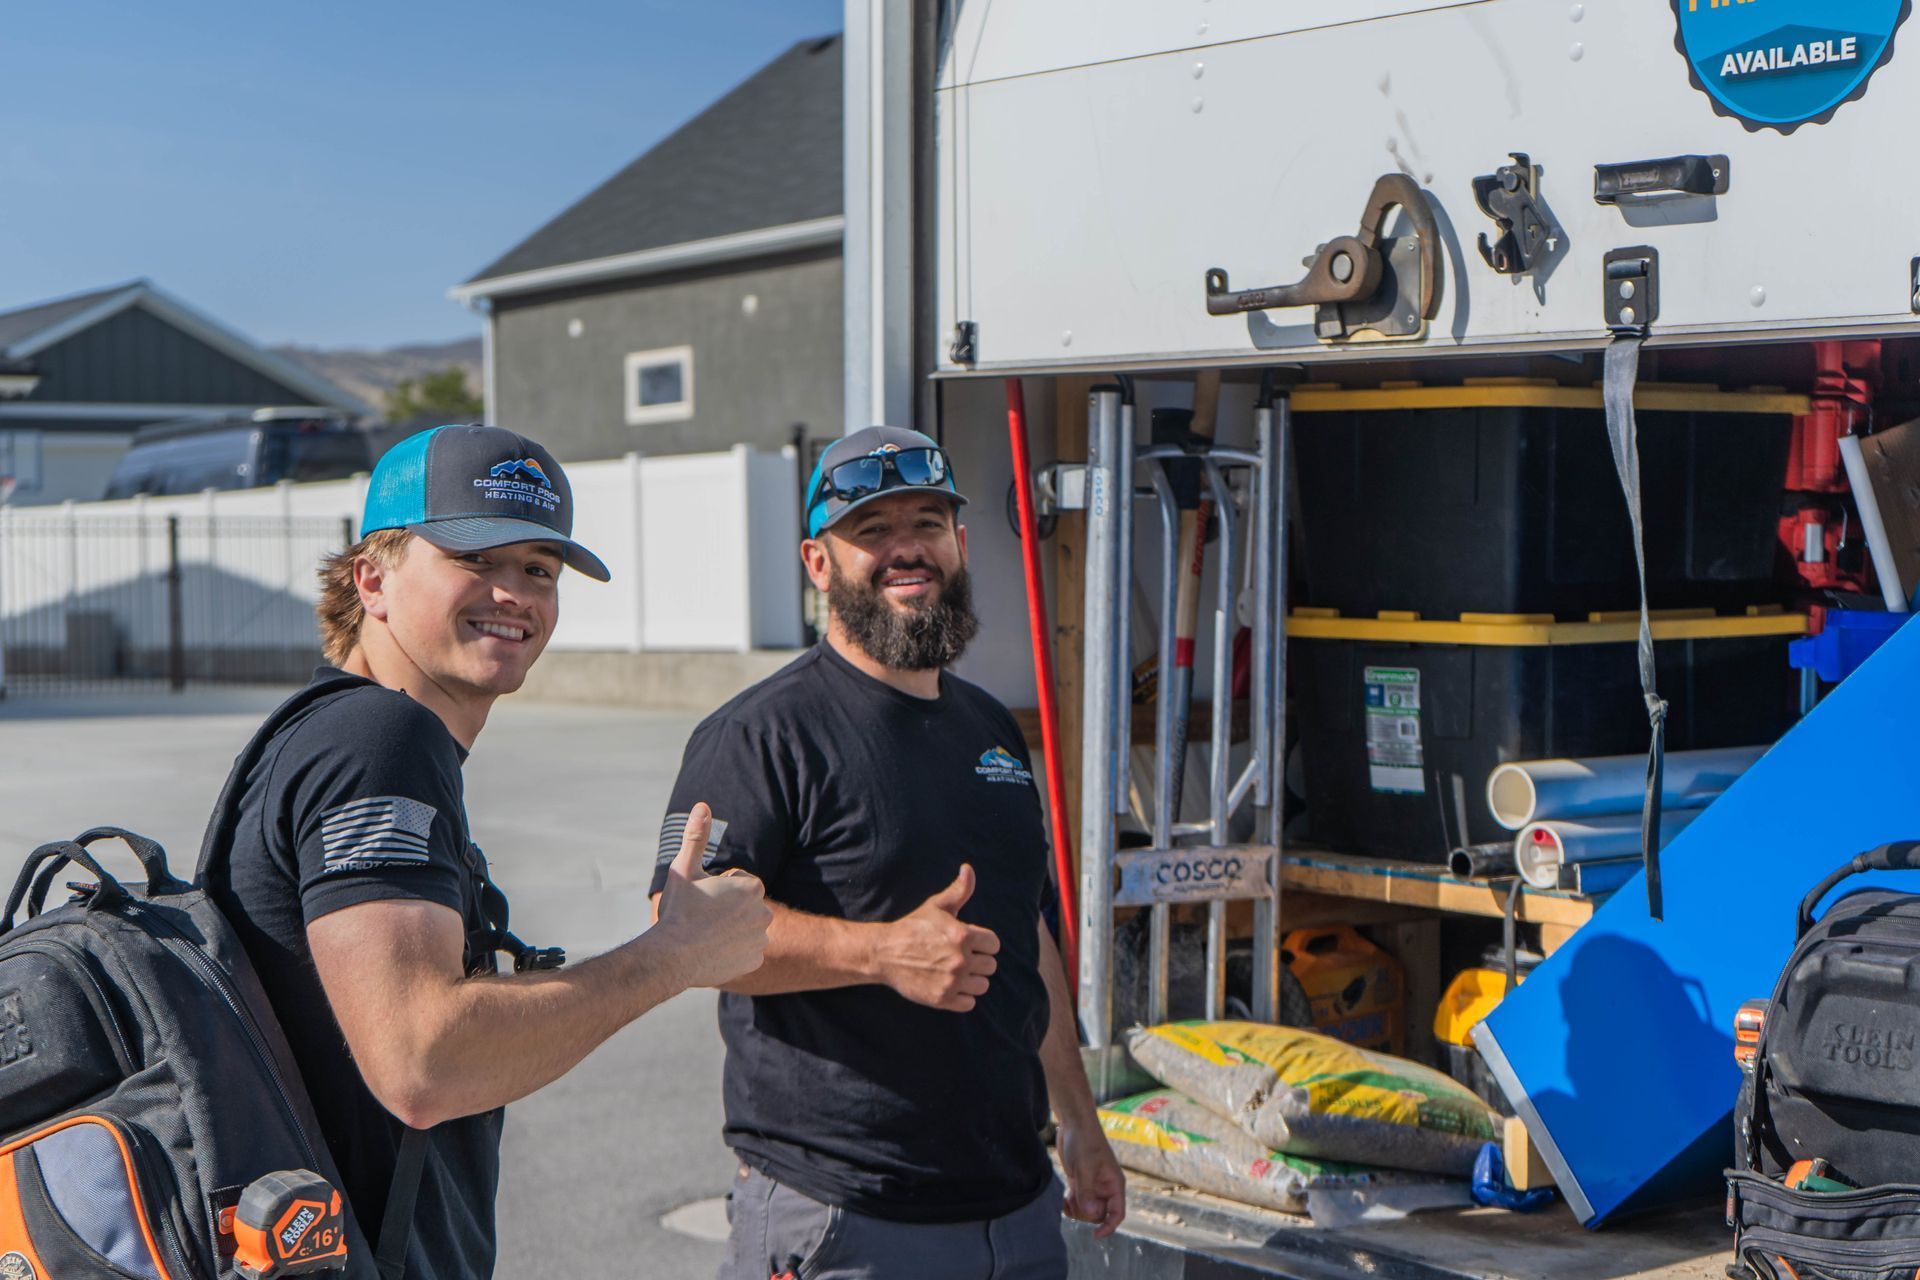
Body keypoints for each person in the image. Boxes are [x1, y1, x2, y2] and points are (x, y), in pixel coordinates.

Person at [206, 424, 772, 1279]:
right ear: (374, 578)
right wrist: (674, 956)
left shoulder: (342, 733)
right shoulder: (377, 739)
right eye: (476, 559)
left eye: (539, 570)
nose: (514, 593)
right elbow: (424, 1061)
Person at [651, 426, 1126, 1280]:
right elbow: (677, 929)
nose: (906, 548)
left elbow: (1029, 938)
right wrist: (880, 953)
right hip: (844, 1215)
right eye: (871, 530)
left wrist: (1080, 1125)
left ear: (961, 544)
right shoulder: (758, 736)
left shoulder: (992, 731)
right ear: (818, 562)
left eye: (927, 522)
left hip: (1017, 1210)